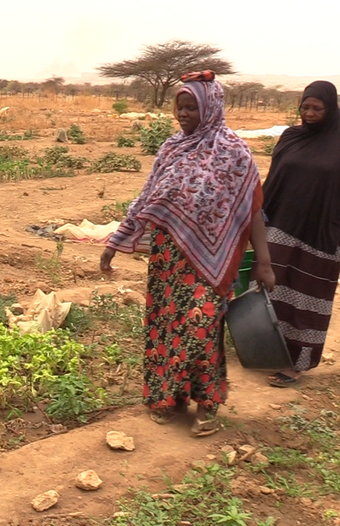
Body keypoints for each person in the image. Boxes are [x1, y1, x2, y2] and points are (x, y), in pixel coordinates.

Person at [100, 72, 274, 437]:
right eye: (179, 106)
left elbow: (252, 210)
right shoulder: (171, 148)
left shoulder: (234, 153)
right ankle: (168, 398)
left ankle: (208, 404)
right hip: (167, 260)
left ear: (211, 107)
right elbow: (146, 200)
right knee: (165, 329)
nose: (183, 113)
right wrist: (116, 241)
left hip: (209, 265)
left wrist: (264, 262)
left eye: (191, 106)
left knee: (202, 326)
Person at [262, 81, 340, 387]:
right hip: (281, 227)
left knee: (309, 300)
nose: (309, 114)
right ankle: (270, 351)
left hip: (324, 235)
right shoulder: (290, 138)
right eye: (305, 107)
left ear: (331, 108)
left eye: (317, 109)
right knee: (275, 292)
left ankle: (298, 363)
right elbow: (272, 182)